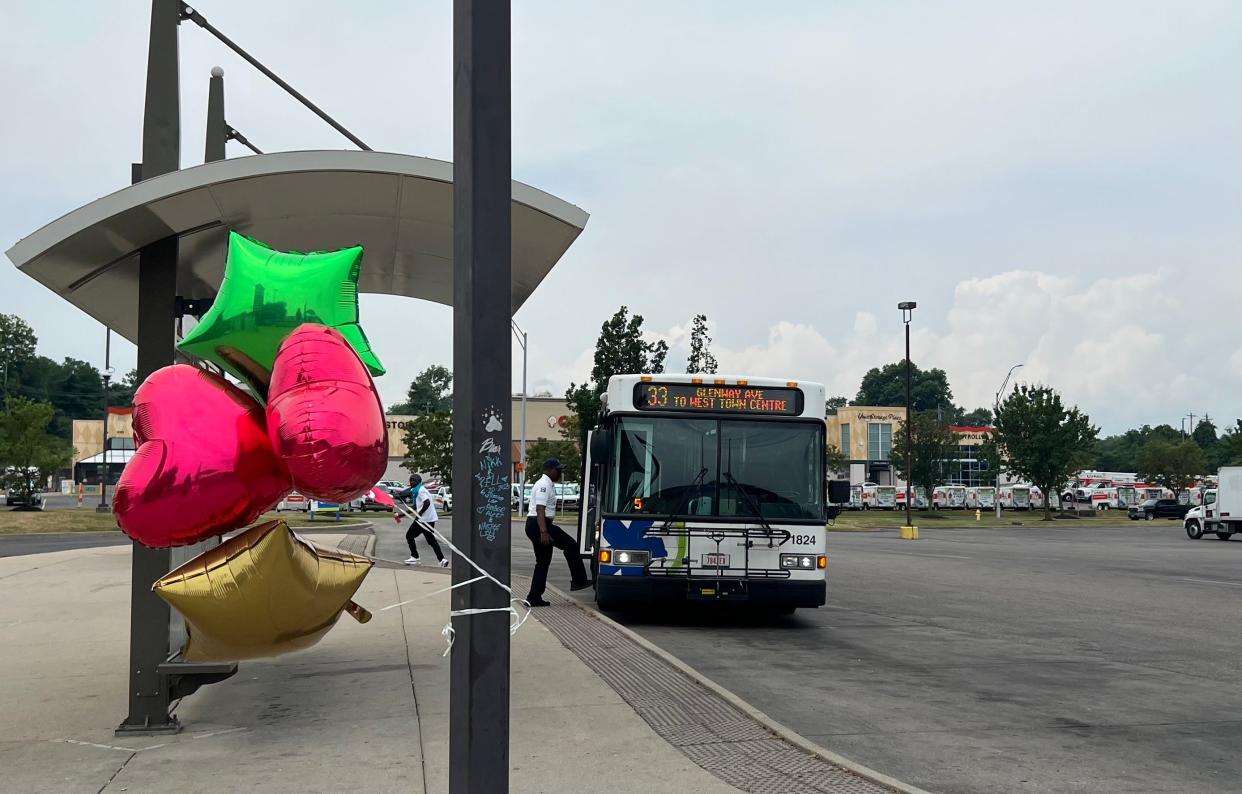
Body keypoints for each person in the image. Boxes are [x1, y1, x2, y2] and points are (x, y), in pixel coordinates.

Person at [525, 458, 591, 606]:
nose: (560, 472)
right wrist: (544, 532)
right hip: (539, 524)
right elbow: (540, 509)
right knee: (570, 545)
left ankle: (534, 597)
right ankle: (579, 581)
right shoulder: (543, 485)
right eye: (558, 470)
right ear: (550, 470)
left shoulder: (548, 484)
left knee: (542, 562)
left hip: (538, 524)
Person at [397, 474, 448, 567]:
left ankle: (415, 557)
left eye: (413, 480)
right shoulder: (417, 490)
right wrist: (402, 515)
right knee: (431, 540)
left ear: (419, 482)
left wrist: (419, 514)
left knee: (409, 536)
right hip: (429, 519)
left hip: (423, 520)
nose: (411, 482)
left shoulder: (420, 490)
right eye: (410, 480)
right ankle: (442, 560)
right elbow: (415, 506)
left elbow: (427, 502)